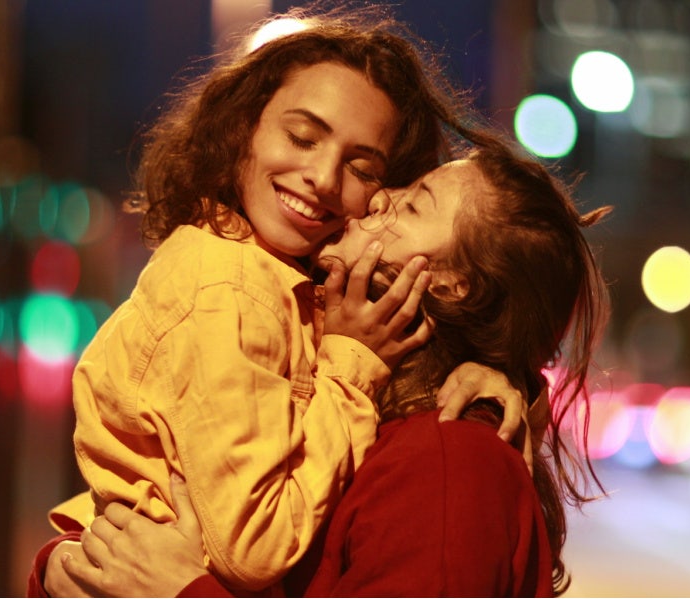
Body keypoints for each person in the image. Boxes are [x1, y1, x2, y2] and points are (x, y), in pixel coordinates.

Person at [36, 4, 535, 595]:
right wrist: (351, 365)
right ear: (243, 127)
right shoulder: (229, 289)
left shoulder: (297, 291)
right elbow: (251, 546)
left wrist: (495, 372)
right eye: (301, 136)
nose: (324, 177)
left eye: (363, 168)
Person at [43, 141, 612, 597]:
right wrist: (63, 566)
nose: (379, 198)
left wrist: (182, 591)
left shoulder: (447, 463)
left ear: (450, 286)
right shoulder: (341, 397)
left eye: (414, 204)